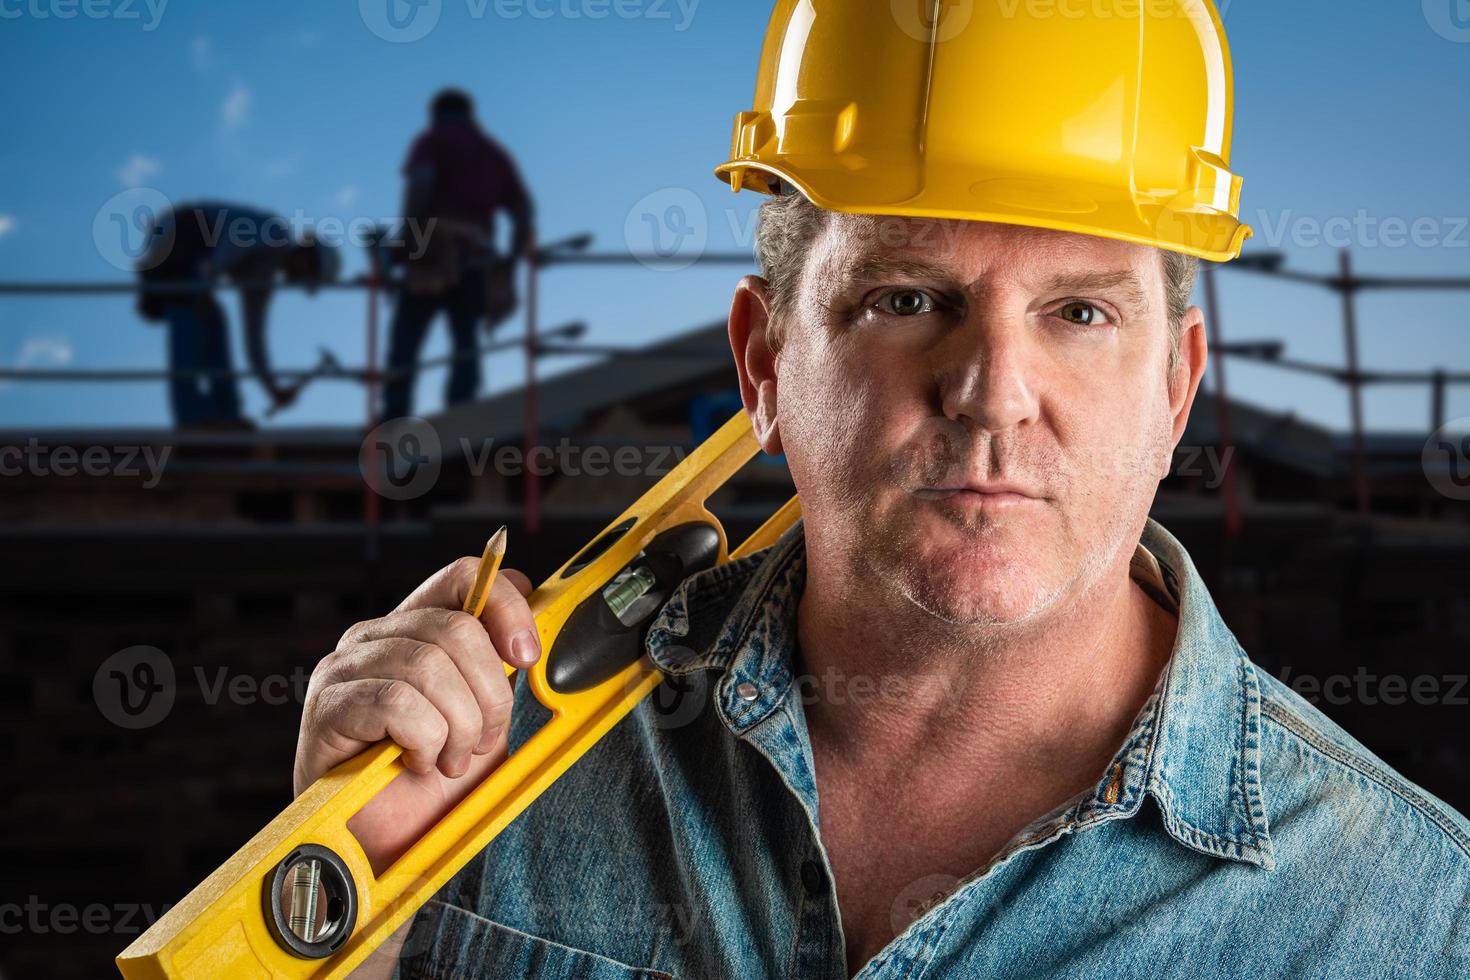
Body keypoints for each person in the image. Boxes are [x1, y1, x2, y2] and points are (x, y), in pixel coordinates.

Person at [297, 3, 1470, 977]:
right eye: (907, 298)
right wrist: (341, 915)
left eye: (1079, 311)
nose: (992, 392)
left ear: (1176, 387)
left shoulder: (1415, 920)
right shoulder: (492, 771)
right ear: (763, 363)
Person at [381, 88, 534, 421]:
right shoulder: (494, 154)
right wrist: (510, 262)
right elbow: (523, 213)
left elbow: (420, 184)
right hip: (476, 259)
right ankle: (461, 414)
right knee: (465, 339)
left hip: (431, 254)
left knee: (406, 340)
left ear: (437, 113)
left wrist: (408, 241)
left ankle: (394, 417)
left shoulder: (432, 140)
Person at [136, 202, 338, 428]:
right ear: (305, 255)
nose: (298, 281)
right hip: (182, 232)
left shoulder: (262, 281)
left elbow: (254, 341)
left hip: (194, 251)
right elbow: (229, 245)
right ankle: (192, 417)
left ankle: (226, 415)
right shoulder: (275, 233)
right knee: (191, 311)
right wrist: (203, 288)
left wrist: (272, 389)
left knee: (213, 320)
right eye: (306, 274)